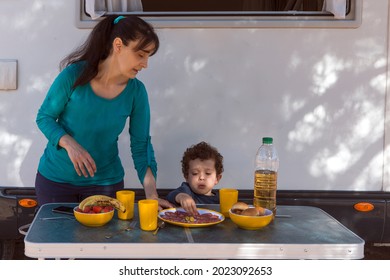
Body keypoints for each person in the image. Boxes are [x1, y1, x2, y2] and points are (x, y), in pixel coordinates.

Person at [35, 15, 173, 209]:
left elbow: (141, 145)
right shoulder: (74, 76)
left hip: (105, 185)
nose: (145, 64)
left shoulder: (137, 92)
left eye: (148, 56)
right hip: (56, 183)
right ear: (118, 45)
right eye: (141, 54)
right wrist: (70, 144)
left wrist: (151, 194)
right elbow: (45, 117)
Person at [166, 141, 224, 215]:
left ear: (217, 178)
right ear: (186, 176)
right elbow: (170, 196)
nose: (202, 177)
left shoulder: (220, 199)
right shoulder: (186, 190)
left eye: (208, 173)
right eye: (195, 173)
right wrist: (181, 197)